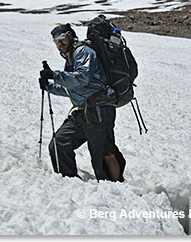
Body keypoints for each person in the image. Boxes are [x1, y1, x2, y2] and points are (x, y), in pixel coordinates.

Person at [39, 23, 126, 182]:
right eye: (56, 41)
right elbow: (74, 88)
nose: (60, 43)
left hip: (99, 109)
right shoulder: (71, 57)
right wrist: (50, 87)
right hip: (84, 110)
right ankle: (70, 182)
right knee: (59, 144)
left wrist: (55, 75)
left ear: (71, 36)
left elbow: (82, 78)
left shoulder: (82, 51)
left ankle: (117, 189)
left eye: (62, 37)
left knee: (104, 154)